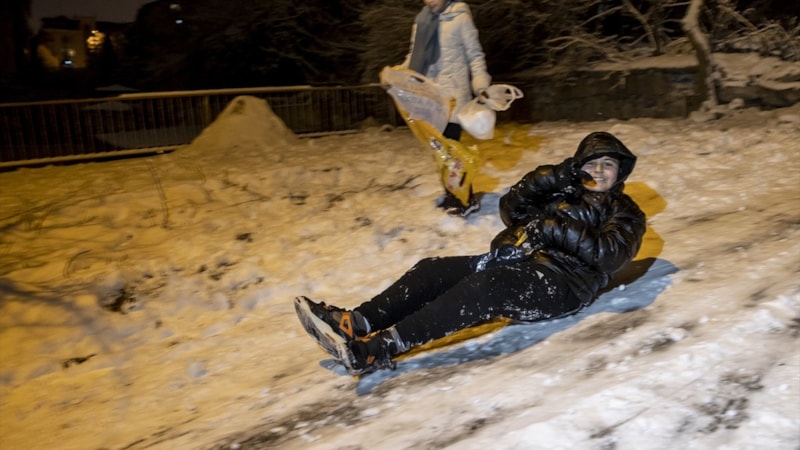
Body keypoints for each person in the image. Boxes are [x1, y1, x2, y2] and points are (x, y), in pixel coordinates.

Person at [295, 131, 646, 376]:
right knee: (432, 270)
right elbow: (512, 208)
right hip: (516, 261)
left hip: (562, 285)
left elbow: (610, 255)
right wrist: (553, 178)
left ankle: (378, 349)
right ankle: (356, 322)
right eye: (591, 163)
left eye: (608, 165)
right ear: (578, 165)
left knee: (486, 286)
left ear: (620, 172)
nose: (598, 171)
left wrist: (551, 228)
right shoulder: (562, 192)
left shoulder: (625, 211)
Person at [403, 0, 491, 216]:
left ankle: (466, 199)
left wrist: (481, 85)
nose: (429, 1)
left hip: (454, 98)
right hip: (430, 98)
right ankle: (452, 194)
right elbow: (413, 56)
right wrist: (397, 74)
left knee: (453, 152)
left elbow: (475, 55)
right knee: (439, 152)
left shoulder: (460, 17)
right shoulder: (422, 22)